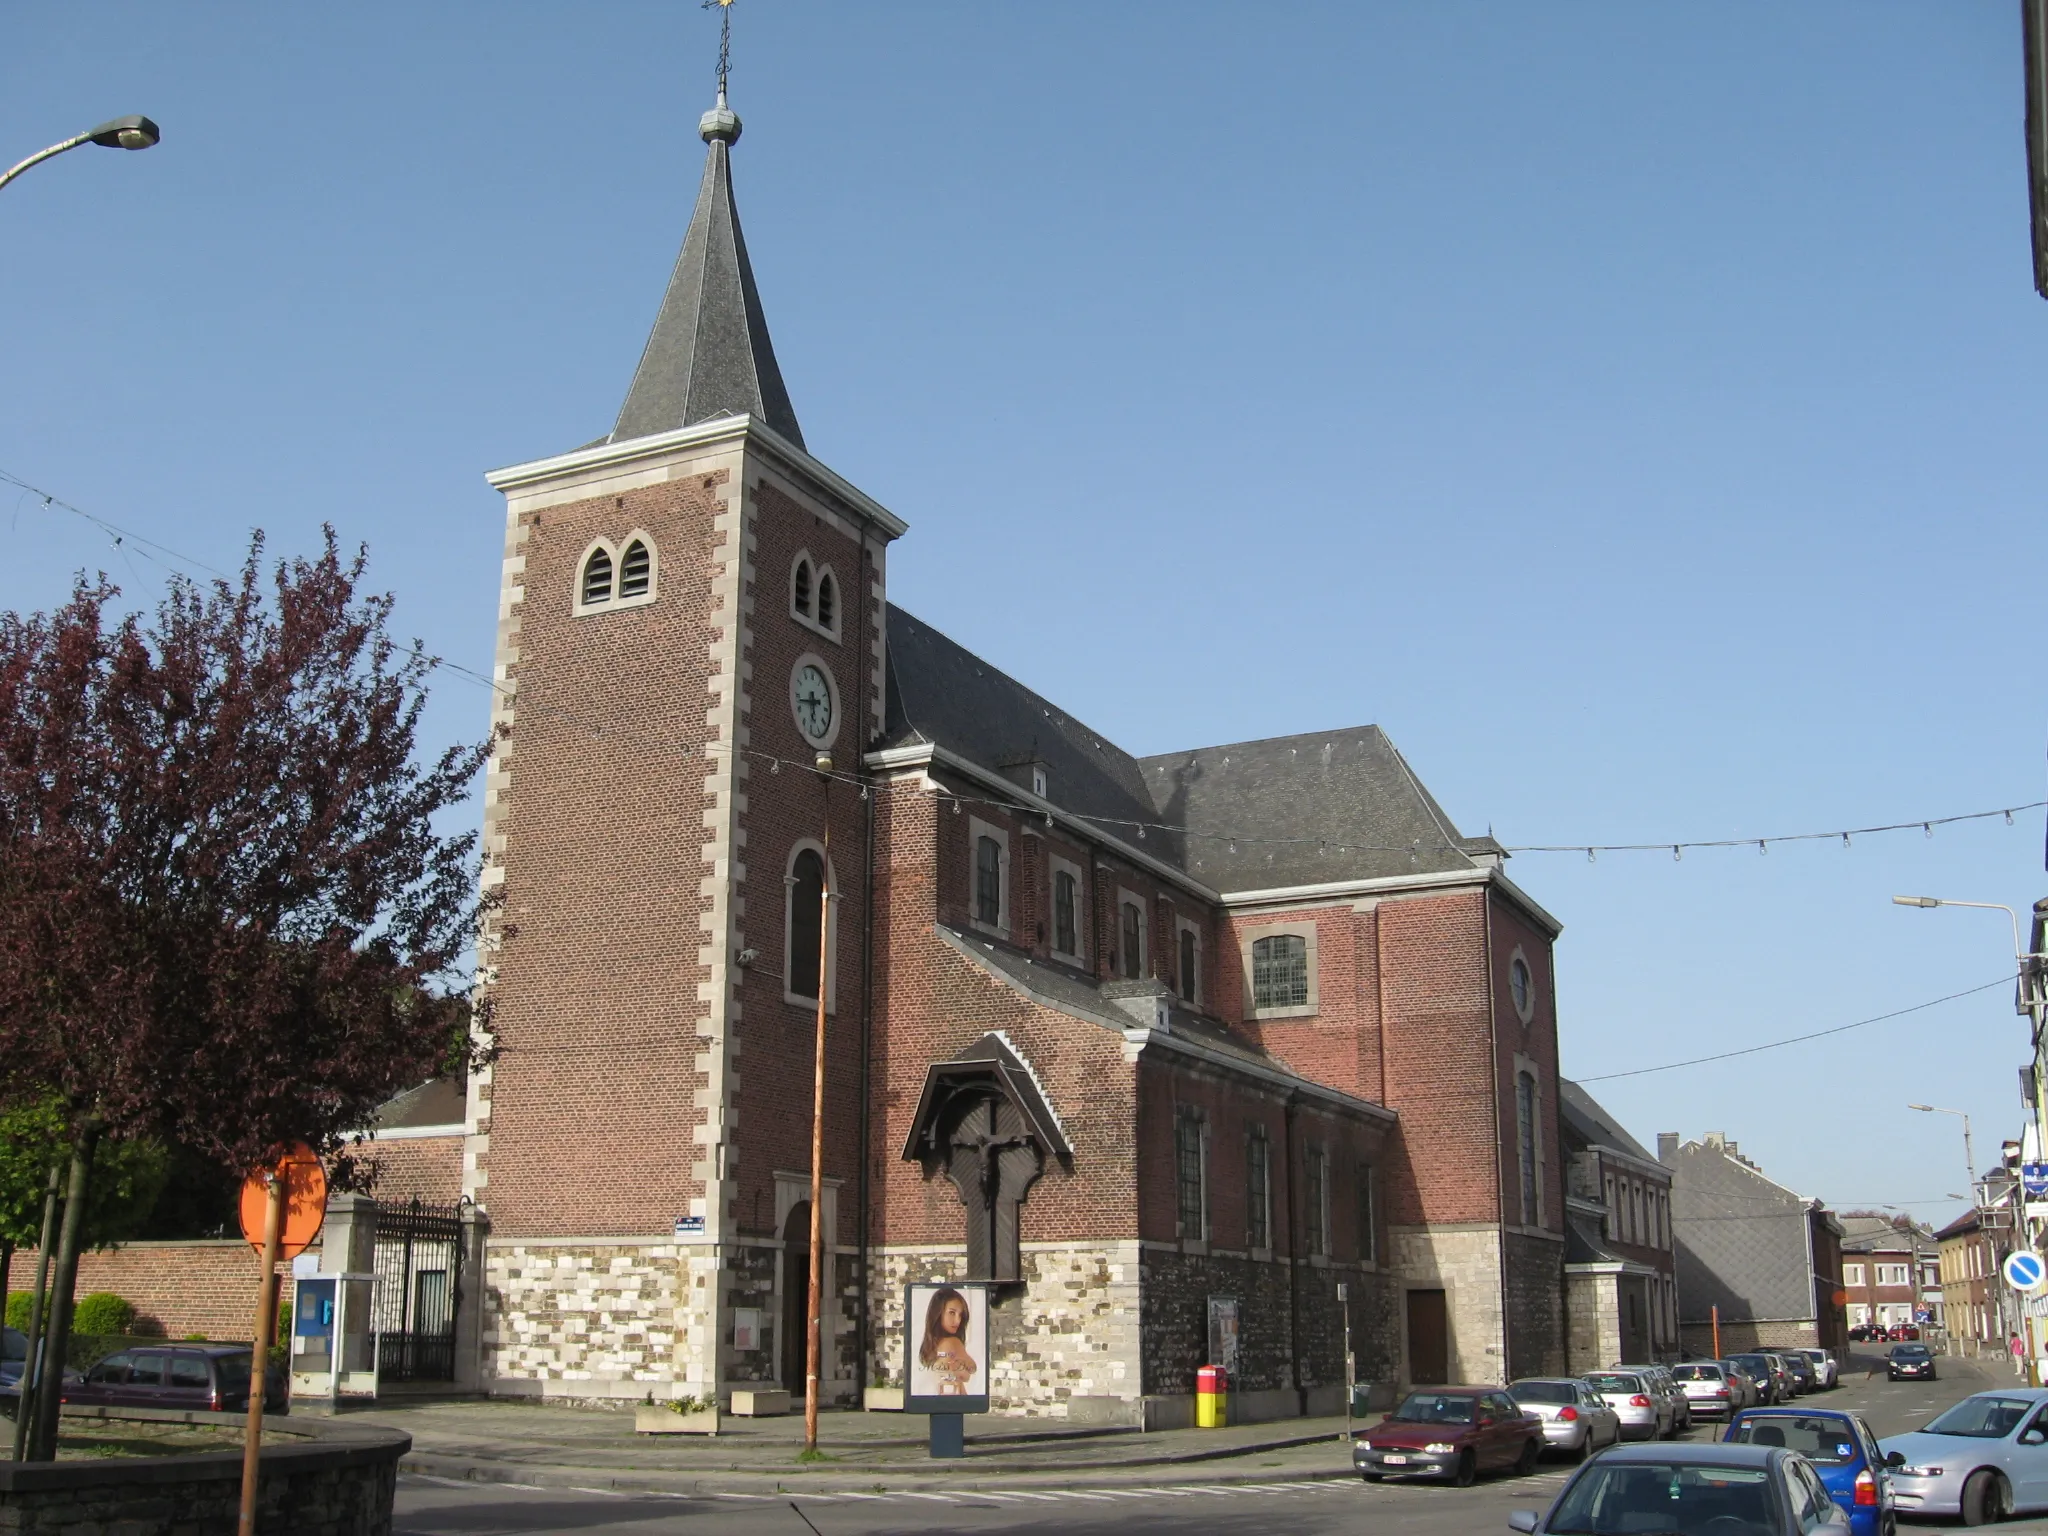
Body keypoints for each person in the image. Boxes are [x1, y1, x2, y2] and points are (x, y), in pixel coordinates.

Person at [918, 1287, 978, 1395]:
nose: (958, 1320)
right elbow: (970, 1371)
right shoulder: (952, 1342)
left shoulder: (929, 1348)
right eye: (952, 1313)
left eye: (960, 1315)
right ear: (938, 1313)